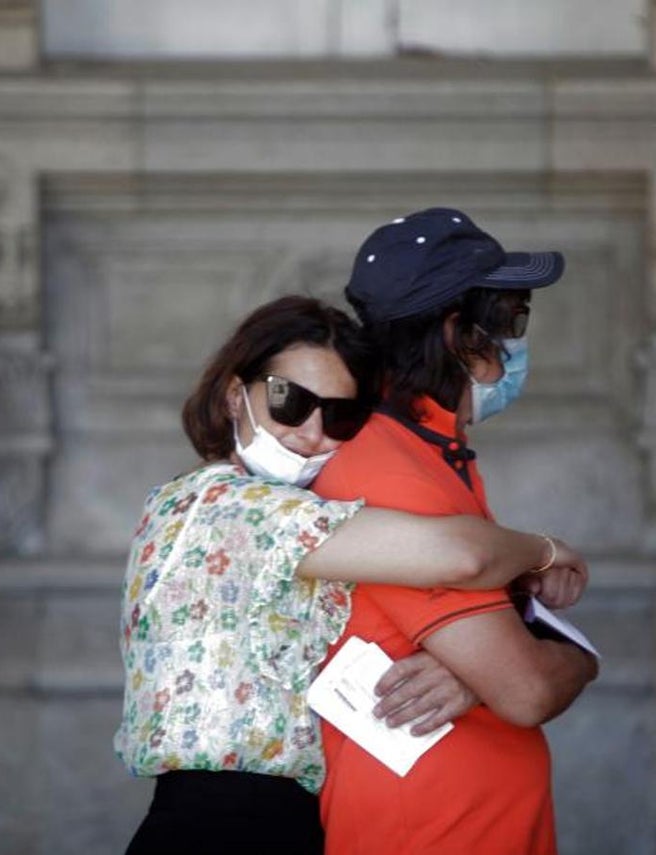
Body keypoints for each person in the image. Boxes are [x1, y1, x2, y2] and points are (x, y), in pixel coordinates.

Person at [114, 295, 588, 854]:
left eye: (339, 415)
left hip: (296, 820)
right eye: (290, 401)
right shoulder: (222, 507)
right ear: (233, 395)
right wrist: (547, 551)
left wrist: (468, 675)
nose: (312, 433)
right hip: (219, 823)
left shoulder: (305, 528)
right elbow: (461, 556)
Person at [312, 208, 600, 855]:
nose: (519, 340)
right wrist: (581, 659)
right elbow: (524, 688)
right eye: (514, 318)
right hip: (428, 828)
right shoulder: (384, 464)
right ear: (456, 332)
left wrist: (483, 673)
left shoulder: (430, 447)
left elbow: (504, 665)